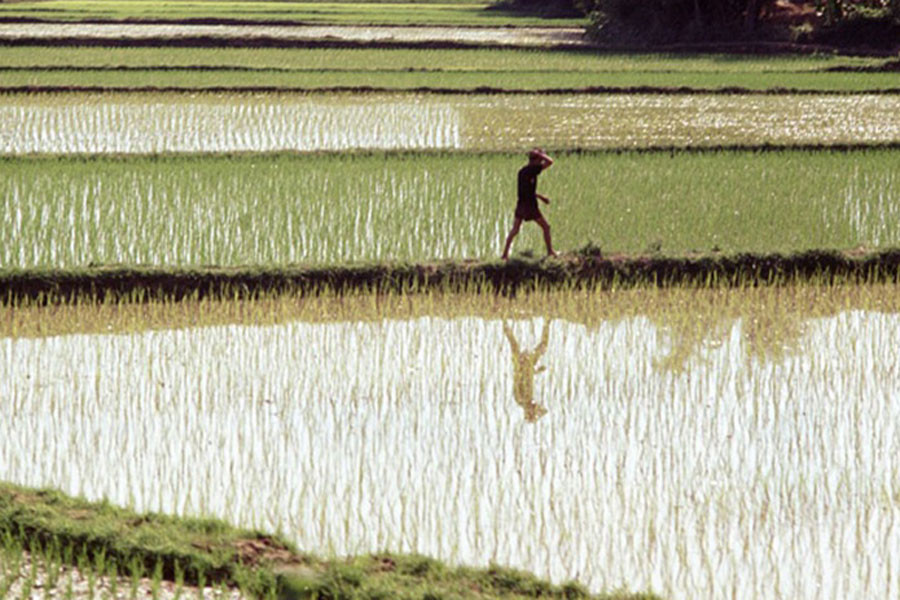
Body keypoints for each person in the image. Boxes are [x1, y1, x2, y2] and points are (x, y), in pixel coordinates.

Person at [501, 147, 557, 260]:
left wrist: (541, 197)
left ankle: (505, 254)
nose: (541, 162)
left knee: (515, 229)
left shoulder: (523, 171)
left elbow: (527, 190)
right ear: (535, 160)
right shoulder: (532, 170)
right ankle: (550, 252)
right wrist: (541, 155)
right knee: (546, 227)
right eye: (540, 159)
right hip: (530, 205)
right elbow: (550, 162)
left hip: (521, 204)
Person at [502, 320, 551, 423]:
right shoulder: (526, 399)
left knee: (515, 346)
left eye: (533, 411)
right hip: (528, 365)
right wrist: (536, 371)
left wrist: (524, 366)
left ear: (529, 411)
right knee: (542, 346)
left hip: (523, 365)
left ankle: (505, 322)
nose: (536, 406)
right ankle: (547, 322)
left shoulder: (522, 399)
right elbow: (527, 379)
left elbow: (519, 378)